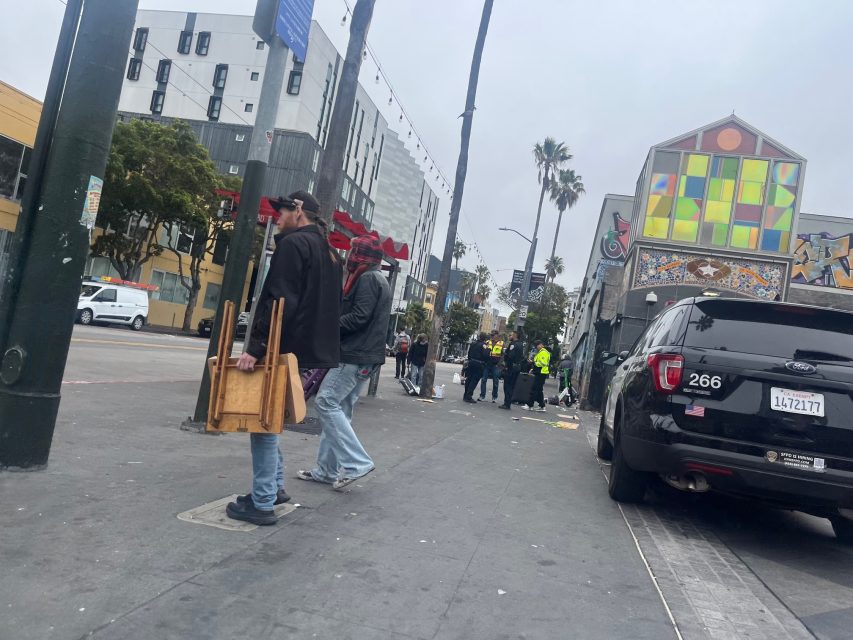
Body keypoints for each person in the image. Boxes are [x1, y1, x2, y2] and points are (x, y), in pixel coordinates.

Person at [227, 191, 342, 526]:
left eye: (281, 211)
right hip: (310, 354)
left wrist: (256, 347)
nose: (277, 217)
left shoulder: (293, 246)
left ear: (298, 210)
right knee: (271, 419)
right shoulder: (330, 253)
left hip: (284, 349)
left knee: (261, 422)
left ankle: (263, 501)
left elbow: (280, 301)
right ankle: (273, 488)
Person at [298, 234, 391, 490]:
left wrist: (327, 326)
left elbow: (359, 317)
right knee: (339, 409)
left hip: (353, 354)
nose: (349, 258)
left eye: (353, 253)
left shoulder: (368, 279)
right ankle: (327, 470)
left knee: (326, 402)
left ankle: (356, 462)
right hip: (363, 355)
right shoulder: (376, 277)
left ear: (361, 257)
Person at [523, 339, 551, 412]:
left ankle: (530, 405)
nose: (536, 347)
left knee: (534, 389)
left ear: (541, 344)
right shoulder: (541, 352)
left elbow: (543, 363)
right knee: (538, 390)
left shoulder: (543, 352)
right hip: (540, 372)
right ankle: (542, 406)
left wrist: (534, 363)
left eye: (537, 345)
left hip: (541, 373)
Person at [499, 331, 524, 410]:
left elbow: (510, 356)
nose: (509, 336)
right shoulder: (521, 344)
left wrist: (506, 365)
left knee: (507, 386)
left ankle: (507, 403)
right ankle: (508, 402)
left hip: (511, 368)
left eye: (510, 335)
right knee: (512, 386)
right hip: (517, 368)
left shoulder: (513, 344)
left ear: (515, 336)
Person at [463, 333, 489, 403]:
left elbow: (469, 353)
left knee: (469, 379)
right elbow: (486, 355)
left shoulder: (473, 343)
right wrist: (488, 350)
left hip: (471, 362)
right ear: (485, 339)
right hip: (479, 364)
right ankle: (469, 396)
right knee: (474, 381)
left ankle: (465, 395)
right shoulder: (484, 345)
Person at [479, 330, 504, 402]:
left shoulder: (501, 343)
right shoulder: (487, 342)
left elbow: (503, 355)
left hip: (495, 365)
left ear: (497, 335)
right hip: (487, 364)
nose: (491, 336)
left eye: (493, 335)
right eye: (491, 335)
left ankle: (494, 397)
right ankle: (482, 396)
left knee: (495, 381)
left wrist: (499, 364)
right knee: (483, 380)